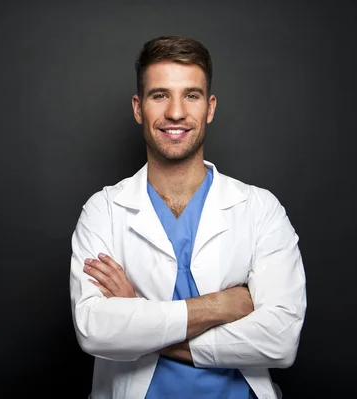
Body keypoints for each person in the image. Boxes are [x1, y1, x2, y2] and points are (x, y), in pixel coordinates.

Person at [68, 35, 307, 399]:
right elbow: (95, 330)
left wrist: (138, 318)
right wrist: (221, 306)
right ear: (138, 107)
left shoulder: (260, 209)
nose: (176, 113)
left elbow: (280, 341)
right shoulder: (103, 211)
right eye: (159, 95)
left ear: (210, 107)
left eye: (191, 95)